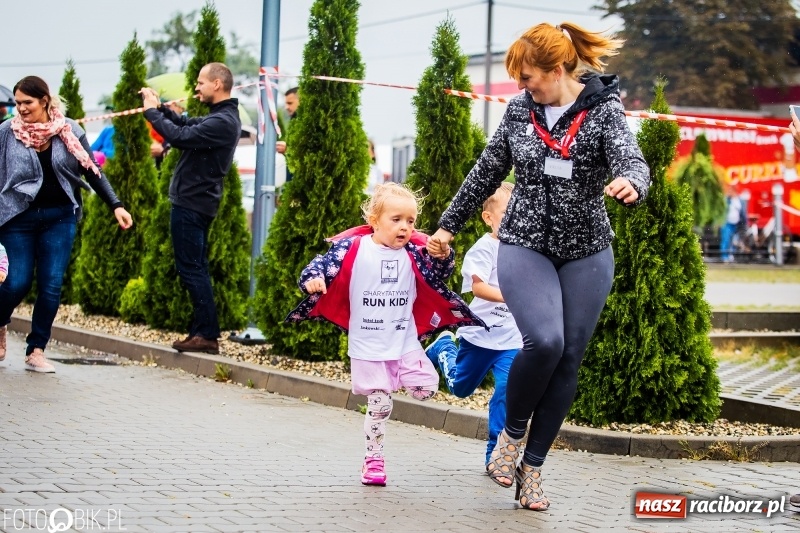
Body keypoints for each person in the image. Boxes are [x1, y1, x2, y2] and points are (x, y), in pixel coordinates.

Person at [426, 22, 650, 511]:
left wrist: (633, 181)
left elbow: (631, 159)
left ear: (558, 69)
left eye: (527, 77)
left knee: (569, 355)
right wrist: (447, 226)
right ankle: (510, 436)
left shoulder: (603, 110)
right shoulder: (519, 112)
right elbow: (487, 169)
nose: (521, 86)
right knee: (544, 342)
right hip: (524, 242)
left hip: (587, 249)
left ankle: (534, 469)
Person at [286, 182, 485, 486]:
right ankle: (374, 460)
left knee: (426, 390)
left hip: (403, 340)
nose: (405, 227)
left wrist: (444, 256)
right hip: (369, 344)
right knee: (380, 405)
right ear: (374, 221)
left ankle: (434, 350)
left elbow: (439, 272)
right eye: (396, 220)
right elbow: (321, 265)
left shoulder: (415, 252)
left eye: (411, 221)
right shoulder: (353, 249)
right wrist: (313, 279)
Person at [0, 76, 133, 372]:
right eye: (18, 103)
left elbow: (91, 169)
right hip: (16, 219)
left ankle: (36, 350)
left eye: (27, 103)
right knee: (16, 282)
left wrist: (116, 205)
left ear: (45, 101)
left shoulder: (69, 130)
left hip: (59, 217)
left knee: (51, 284)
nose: (20, 109)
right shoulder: (7, 133)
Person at [141, 63, 241, 355]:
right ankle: (201, 332)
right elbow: (186, 124)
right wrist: (162, 109)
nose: (196, 88)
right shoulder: (219, 117)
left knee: (191, 269)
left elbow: (180, 137)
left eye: (200, 83)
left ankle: (207, 335)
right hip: (194, 202)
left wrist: (151, 113)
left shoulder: (224, 121)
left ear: (217, 85)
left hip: (193, 204)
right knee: (195, 268)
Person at [425, 182, 522, 467]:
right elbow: (478, 288)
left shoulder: (523, 249)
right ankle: (444, 346)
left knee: (507, 391)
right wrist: (511, 296)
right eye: (506, 213)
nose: (513, 218)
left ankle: (495, 450)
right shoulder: (484, 248)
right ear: (488, 218)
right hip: (479, 337)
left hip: (511, 341)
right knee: (459, 388)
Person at [277, 87, 299, 182]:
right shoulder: (294, 120)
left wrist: (288, 149)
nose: (286, 107)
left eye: (290, 103)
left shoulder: (307, 122)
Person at [720, 183, 744, 263]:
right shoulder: (727, 199)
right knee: (726, 239)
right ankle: (724, 256)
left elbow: (742, 212)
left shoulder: (739, 200)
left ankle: (731, 255)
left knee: (734, 240)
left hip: (736, 223)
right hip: (727, 222)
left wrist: (744, 221)